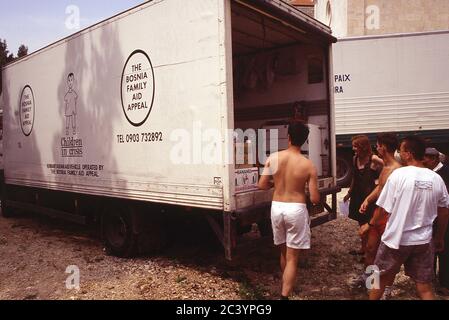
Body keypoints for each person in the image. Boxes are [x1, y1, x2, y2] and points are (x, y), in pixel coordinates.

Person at [369, 136, 449, 300]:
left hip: (396, 240)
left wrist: (371, 225)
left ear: (409, 154)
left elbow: (383, 208)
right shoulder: (436, 178)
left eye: (402, 150)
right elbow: (444, 211)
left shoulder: (399, 175)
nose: (399, 153)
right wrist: (439, 237)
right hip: (423, 242)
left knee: (376, 277)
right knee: (424, 286)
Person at [258, 120, 320, 300]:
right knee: (293, 257)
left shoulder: (274, 158)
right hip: (296, 208)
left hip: (277, 207)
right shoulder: (308, 165)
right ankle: (285, 295)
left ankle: (287, 286)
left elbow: (261, 185)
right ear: (305, 140)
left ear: (289, 137)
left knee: (284, 252)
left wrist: (275, 181)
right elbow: (315, 199)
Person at [355, 133, 400, 295]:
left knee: (388, 256)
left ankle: (387, 288)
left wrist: (370, 223)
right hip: (378, 212)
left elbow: (390, 197)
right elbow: (380, 188)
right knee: (370, 248)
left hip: (388, 217)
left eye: (379, 145)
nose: (377, 147)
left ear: (385, 147)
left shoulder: (396, 170)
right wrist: (368, 199)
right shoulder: (385, 167)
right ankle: (370, 282)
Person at [343, 135, 383, 257]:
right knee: (361, 221)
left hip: (369, 195)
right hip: (358, 194)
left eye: (355, 146)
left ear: (363, 147)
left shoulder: (374, 159)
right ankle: (363, 248)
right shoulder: (355, 159)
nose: (353, 148)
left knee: (370, 222)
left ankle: (371, 251)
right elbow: (354, 177)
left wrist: (380, 182)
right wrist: (349, 193)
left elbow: (387, 168)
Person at [423, 147, 449, 296]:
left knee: (444, 251)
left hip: (444, 216)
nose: (423, 161)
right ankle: (429, 281)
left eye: (425, 158)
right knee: (429, 250)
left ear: (433, 159)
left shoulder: (445, 173)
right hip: (430, 217)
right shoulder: (429, 173)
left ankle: (445, 283)